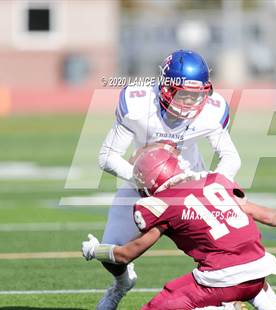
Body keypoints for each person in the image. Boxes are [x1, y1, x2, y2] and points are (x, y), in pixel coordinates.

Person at [96, 50, 241, 309]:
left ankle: (230, 299)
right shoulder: (138, 104)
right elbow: (107, 156)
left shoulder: (212, 110)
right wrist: (142, 179)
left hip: (189, 188)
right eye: (183, 93)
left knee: (222, 251)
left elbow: (231, 158)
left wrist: (213, 185)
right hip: (142, 186)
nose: (190, 101)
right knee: (111, 253)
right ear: (165, 87)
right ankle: (121, 284)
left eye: (196, 95)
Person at [83, 145, 276, 310]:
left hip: (221, 280)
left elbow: (125, 255)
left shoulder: (161, 204)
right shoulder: (215, 182)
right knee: (240, 268)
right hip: (259, 276)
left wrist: (95, 250)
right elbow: (260, 212)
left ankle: (218, 309)